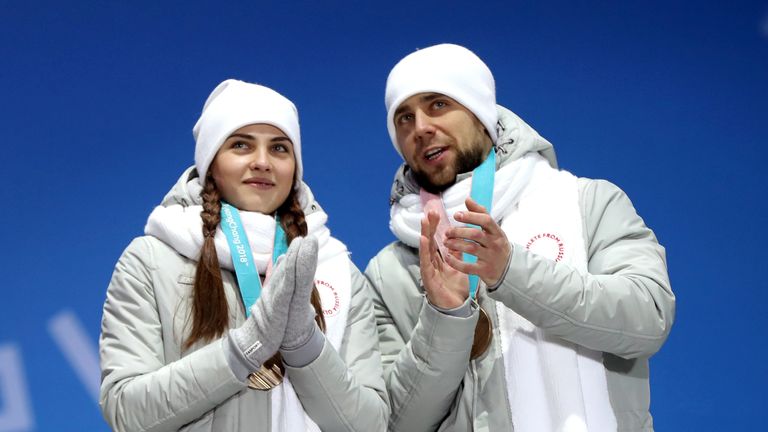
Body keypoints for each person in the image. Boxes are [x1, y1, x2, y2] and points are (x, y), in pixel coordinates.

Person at [365, 43, 675, 431]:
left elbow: (648, 319)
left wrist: (510, 271)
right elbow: (399, 422)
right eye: (404, 118)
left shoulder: (586, 202)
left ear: (481, 115)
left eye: (438, 104)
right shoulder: (390, 270)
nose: (421, 127)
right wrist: (445, 317)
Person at [99, 79, 389, 432]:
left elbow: (370, 425)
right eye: (241, 145)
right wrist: (243, 349)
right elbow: (127, 412)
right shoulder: (150, 259)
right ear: (211, 163)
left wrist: (303, 342)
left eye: (280, 149)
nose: (263, 162)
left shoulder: (335, 268)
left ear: (295, 168)